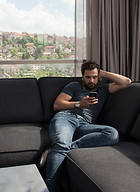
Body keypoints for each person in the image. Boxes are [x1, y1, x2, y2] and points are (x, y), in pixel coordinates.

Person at [45, 61, 131, 192]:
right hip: (66, 118)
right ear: (82, 77)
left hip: (85, 125)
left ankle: (63, 149)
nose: (91, 80)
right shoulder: (73, 86)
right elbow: (57, 105)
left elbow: (126, 82)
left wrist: (103, 73)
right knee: (62, 143)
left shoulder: (103, 89)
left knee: (112, 134)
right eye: (88, 77)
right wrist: (79, 104)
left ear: (99, 77)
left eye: (94, 77)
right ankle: (51, 189)